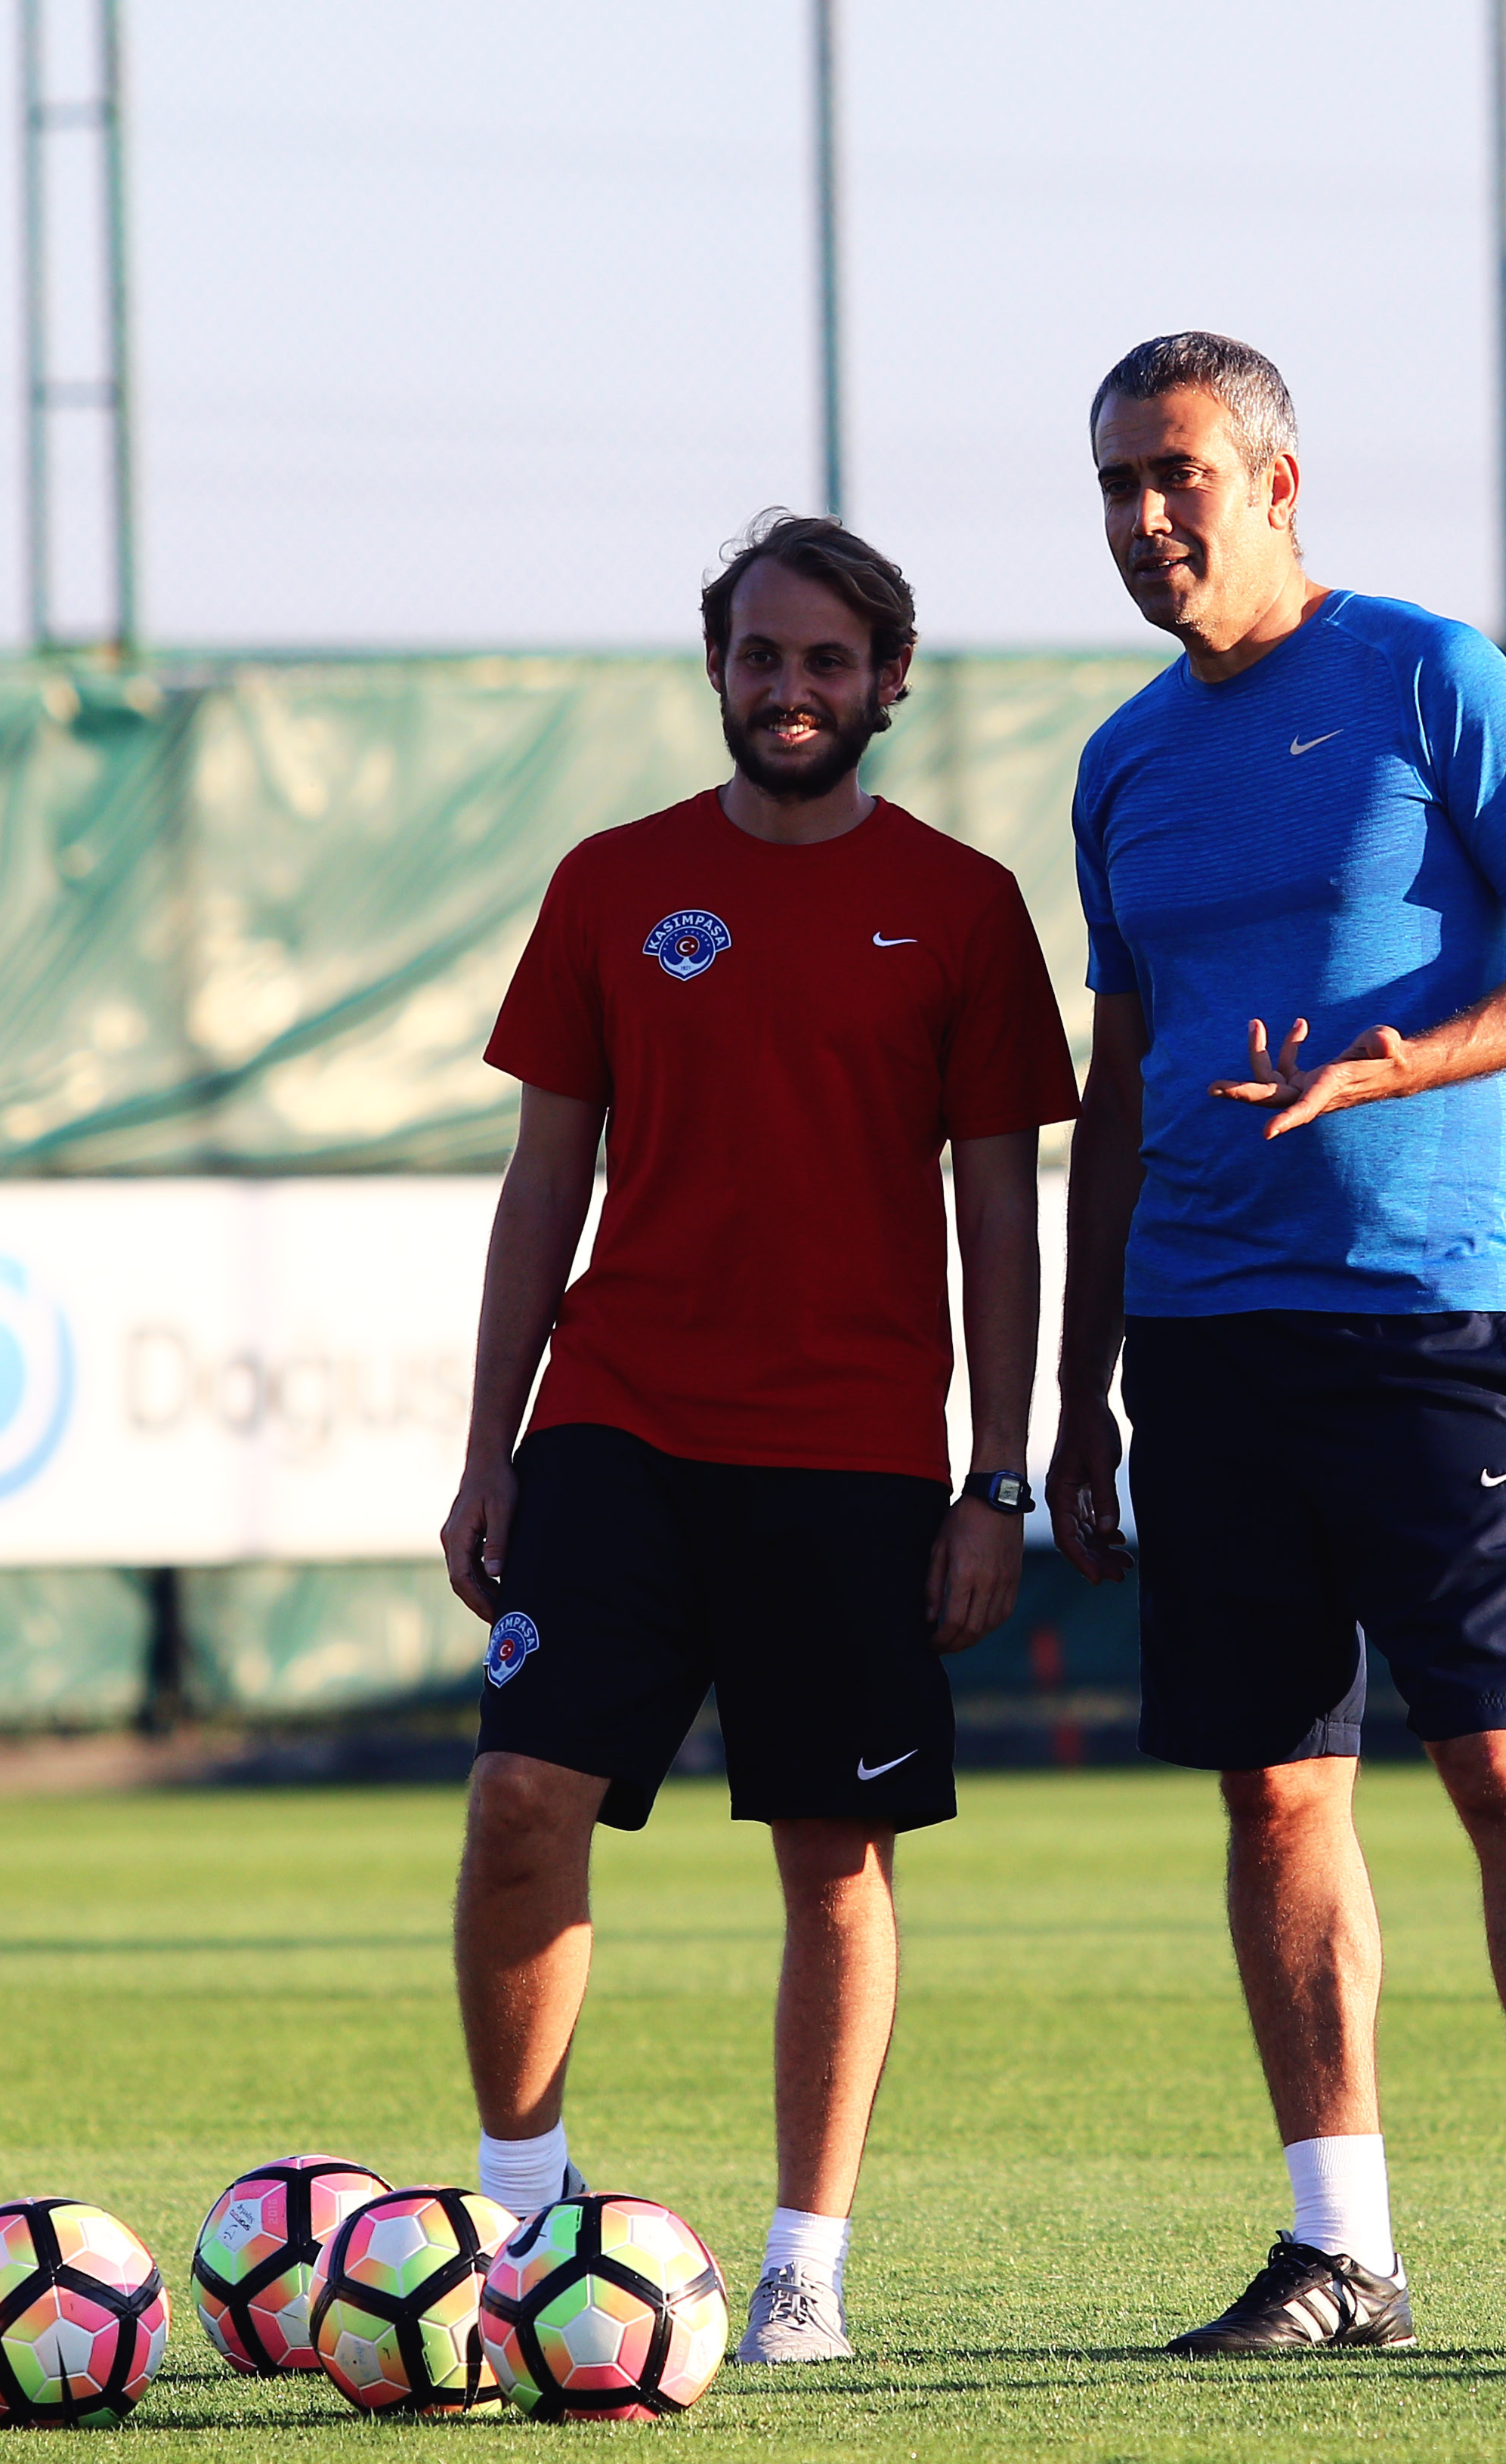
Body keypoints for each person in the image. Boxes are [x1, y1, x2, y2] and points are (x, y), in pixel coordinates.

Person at [1044, 332, 1506, 2356]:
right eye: (1115, 483)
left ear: (1275, 480)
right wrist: (1076, 1392)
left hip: (1421, 1320)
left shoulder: (1426, 673)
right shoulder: (1120, 761)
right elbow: (1117, 1087)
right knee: (1274, 1793)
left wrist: (1414, 1056)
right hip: (1200, 1337)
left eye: (1176, 472)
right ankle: (1344, 2251)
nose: (1145, 516)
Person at [440, 512, 1079, 2365]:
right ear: (714, 669)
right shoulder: (612, 881)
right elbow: (542, 1181)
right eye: (759, 656)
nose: (789, 690)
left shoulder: (961, 903)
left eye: (825, 661)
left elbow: (999, 1216)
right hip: (617, 1421)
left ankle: (806, 2262)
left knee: (833, 1855)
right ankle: (518, 2212)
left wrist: (996, 1478)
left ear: (889, 681)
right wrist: (489, 1447)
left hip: (853, 1453)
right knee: (518, 1800)